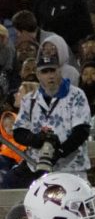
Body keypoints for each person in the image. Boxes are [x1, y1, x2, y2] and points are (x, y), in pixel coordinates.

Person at [9, 53, 90, 188]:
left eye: (53, 70)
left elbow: (82, 131)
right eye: (45, 71)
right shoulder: (29, 99)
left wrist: (60, 151)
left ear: (59, 71)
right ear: (38, 75)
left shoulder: (76, 95)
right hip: (36, 166)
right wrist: (37, 139)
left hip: (71, 167)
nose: (50, 75)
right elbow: (18, 132)